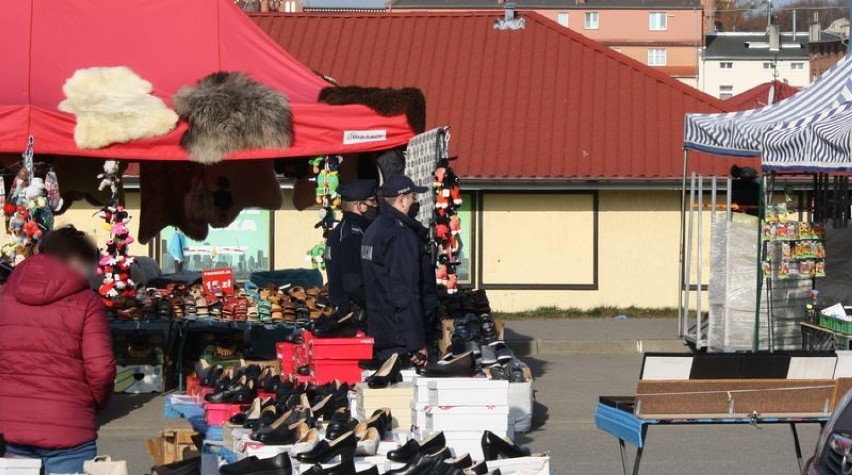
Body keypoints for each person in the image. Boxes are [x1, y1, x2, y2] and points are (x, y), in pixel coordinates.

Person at [0, 226, 116, 474]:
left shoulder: (5, 296)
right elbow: (101, 369)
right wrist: (93, 404)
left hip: (10, 426)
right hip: (69, 428)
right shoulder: (88, 302)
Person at [361, 175, 438, 366]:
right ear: (402, 200)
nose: (416, 202)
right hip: (400, 338)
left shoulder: (374, 229)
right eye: (413, 197)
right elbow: (404, 291)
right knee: (403, 393)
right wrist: (416, 342)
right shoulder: (400, 235)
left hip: (382, 328)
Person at [325, 179, 378, 320]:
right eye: (372, 201)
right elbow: (353, 284)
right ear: (360, 206)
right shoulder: (351, 235)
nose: (376, 205)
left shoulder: (344, 230)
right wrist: (379, 307)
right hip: (355, 316)